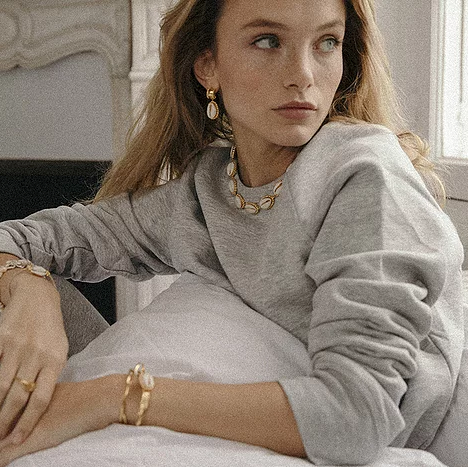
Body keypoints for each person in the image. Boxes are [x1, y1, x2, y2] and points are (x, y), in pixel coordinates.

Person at [0, 0, 464, 465]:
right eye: (268, 41)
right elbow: (19, 238)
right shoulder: (208, 188)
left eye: (327, 42)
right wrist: (31, 289)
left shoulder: (363, 174)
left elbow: (357, 416)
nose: (303, 75)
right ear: (208, 65)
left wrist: (114, 397)